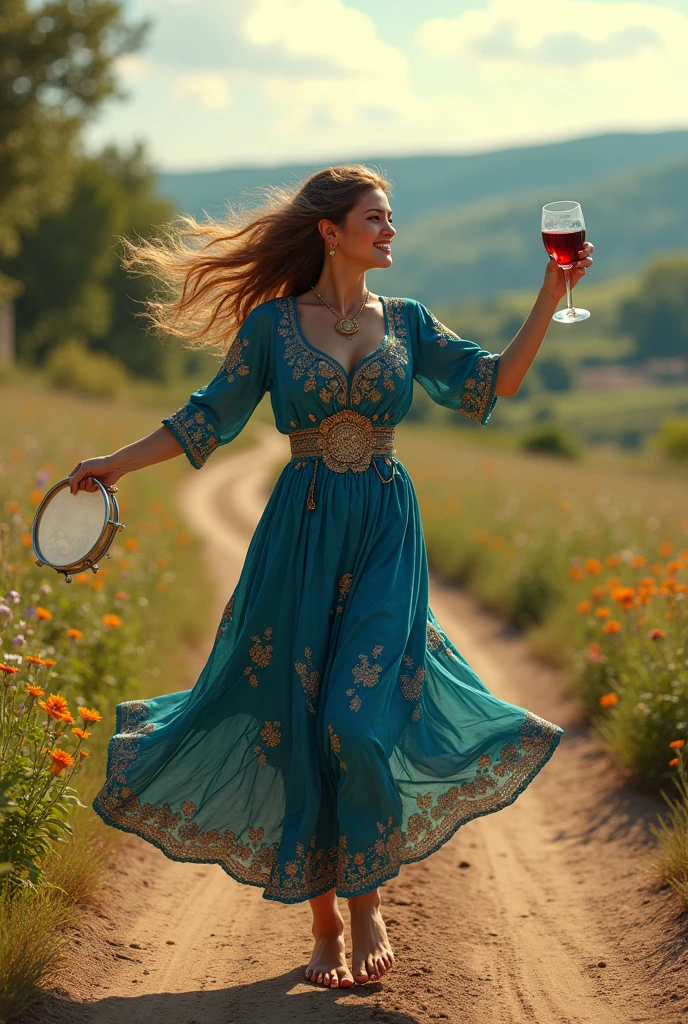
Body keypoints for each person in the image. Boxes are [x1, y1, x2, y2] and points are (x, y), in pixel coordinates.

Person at [69, 165, 593, 990]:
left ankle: (367, 901)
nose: (390, 231)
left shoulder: (409, 322)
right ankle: (321, 924)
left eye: (391, 218)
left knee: (355, 721)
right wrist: (115, 466)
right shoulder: (272, 327)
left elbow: (496, 382)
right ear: (330, 229)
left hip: (386, 529)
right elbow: (208, 416)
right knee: (303, 721)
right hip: (300, 536)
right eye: (375, 218)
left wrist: (550, 292)